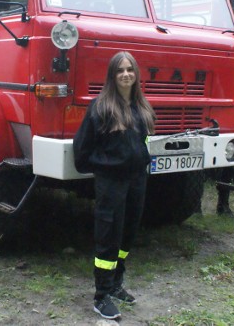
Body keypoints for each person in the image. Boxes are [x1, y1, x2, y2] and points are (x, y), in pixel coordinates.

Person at [73, 51, 156, 320]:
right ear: (112, 75)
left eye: (130, 69)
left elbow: (142, 144)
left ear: (136, 74)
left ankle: (117, 283)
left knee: (128, 233)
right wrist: (107, 167)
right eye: (120, 70)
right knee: (108, 236)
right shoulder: (100, 107)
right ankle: (102, 296)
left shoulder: (141, 107)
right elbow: (81, 151)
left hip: (137, 180)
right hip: (111, 183)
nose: (125, 74)